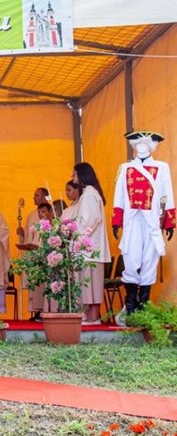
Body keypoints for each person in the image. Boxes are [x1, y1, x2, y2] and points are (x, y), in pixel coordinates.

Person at [112, 131, 175, 323]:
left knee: (150, 259)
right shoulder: (125, 168)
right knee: (130, 259)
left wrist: (169, 221)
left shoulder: (162, 167)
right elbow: (120, 194)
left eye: (145, 144)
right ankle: (130, 306)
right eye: (137, 144)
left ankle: (144, 304)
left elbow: (167, 193)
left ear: (151, 147)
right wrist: (117, 219)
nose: (141, 147)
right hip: (132, 220)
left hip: (152, 220)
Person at [73, 162, 111, 325]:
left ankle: (93, 315)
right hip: (89, 247)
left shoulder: (89, 193)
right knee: (89, 282)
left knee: (90, 282)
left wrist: (80, 237)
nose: (72, 177)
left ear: (82, 175)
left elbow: (92, 219)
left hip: (89, 248)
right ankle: (90, 313)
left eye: (74, 174)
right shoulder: (89, 192)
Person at [17, 187, 49, 320]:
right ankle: (36, 311)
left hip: (42, 256)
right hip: (32, 255)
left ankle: (44, 310)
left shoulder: (49, 214)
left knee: (42, 285)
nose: (33, 198)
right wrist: (23, 235)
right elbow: (31, 236)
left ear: (44, 197)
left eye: (36, 195)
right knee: (34, 286)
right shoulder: (31, 214)